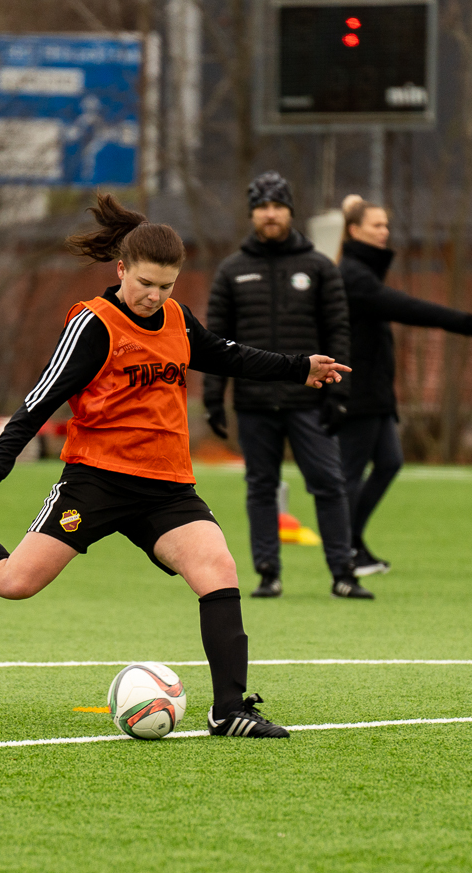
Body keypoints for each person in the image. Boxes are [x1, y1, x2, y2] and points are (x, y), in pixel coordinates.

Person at [0, 194, 348, 740]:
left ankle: (230, 709)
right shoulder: (94, 324)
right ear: (121, 270)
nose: (154, 296)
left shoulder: (177, 319)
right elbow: (39, 400)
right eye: (145, 284)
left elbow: (226, 354)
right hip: (97, 483)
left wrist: (299, 367)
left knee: (218, 570)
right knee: (14, 582)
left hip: (167, 488)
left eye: (166, 286)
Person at [202, 171, 372, 601]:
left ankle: (343, 573)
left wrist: (338, 394)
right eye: (262, 207)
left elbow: (338, 331)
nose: (270, 214)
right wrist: (213, 398)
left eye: (278, 206)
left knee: (329, 483)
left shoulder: (318, 267)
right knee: (261, 487)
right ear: (252, 214)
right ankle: (267, 574)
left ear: (290, 211)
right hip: (254, 402)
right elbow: (214, 342)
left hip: (309, 401)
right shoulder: (232, 270)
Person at [337, 195, 472, 576]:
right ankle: (344, 553)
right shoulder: (353, 275)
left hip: (377, 390)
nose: (384, 232)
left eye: (386, 225)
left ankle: (353, 542)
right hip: (356, 390)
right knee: (350, 473)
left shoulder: (364, 270)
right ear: (353, 230)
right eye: (376, 225)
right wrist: (462, 321)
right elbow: (405, 307)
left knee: (390, 462)